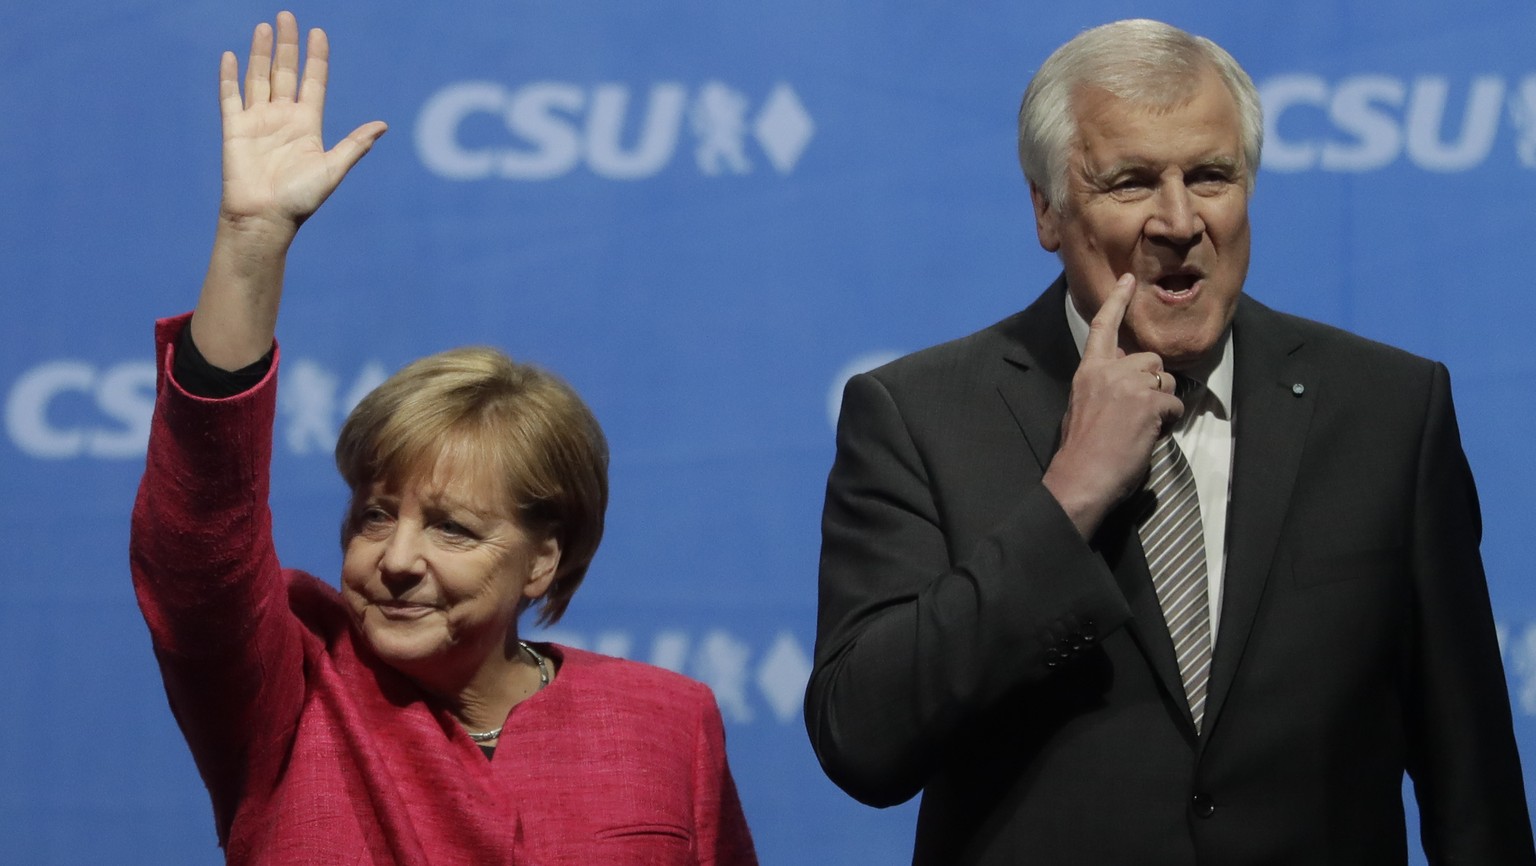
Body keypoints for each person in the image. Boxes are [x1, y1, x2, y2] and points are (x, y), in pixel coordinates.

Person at [803, 18, 1535, 865]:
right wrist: (1068, 498)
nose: (1180, 220)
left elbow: (1472, 791)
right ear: (1047, 209)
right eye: (1131, 182)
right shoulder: (919, 415)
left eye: (1212, 176)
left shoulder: (1388, 410)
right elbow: (863, 737)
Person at [130, 12, 756, 864]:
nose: (395, 558)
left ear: (544, 558)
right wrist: (251, 244)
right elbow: (195, 547)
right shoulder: (288, 694)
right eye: (376, 514)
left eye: (452, 527)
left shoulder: (666, 721)